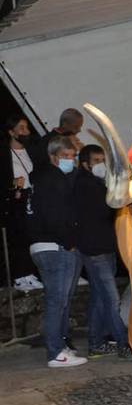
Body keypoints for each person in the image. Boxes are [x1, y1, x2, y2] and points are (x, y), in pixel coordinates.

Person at [27, 135, 86, 367]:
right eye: (65, 156)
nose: (70, 160)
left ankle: (60, 347)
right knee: (56, 300)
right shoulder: (53, 179)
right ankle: (55, 352)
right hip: (54, 246)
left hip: (46, 244)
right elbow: (56, 216)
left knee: (60, 301)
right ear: (53, 157)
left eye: (73, 156)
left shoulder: (42, 178)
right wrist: (68, 241)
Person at [75, 144, 130, 357]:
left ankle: (96, 342)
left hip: (105, 248)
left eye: (103, 161)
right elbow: (107, 209)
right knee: (111, 299)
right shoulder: (85, 185)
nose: (101, 165)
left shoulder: (97, 183)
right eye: (96, 161)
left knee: (100, 298)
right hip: (95, 250)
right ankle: (124, 343)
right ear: (86, 164)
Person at [0, 114, 43, 291]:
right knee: (19, 237)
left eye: (27, 128)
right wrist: (12, 184)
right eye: (22, 128)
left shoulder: (32, 150)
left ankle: (31, 273)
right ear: (12, 132)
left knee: (34, 236)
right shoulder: (4, 154)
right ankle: (21, 276)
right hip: (15, 202)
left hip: (34, 198)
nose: (26, 132)